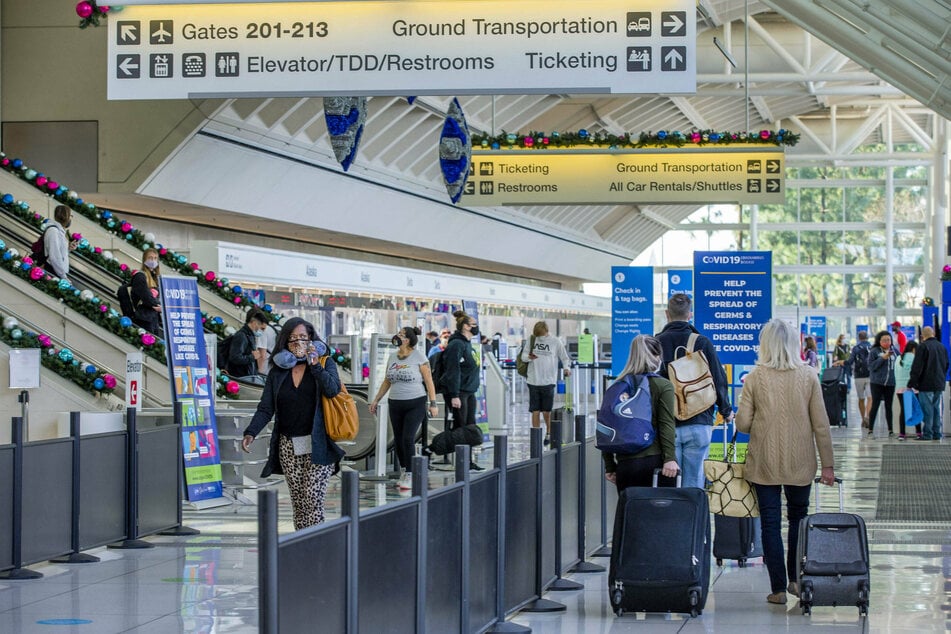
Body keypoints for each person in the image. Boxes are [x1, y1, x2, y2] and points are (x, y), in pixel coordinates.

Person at [734, 318, 835, 605]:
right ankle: (795, 580)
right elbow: (821, 425)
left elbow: (742, 424)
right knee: (798, 520)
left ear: (765, 344)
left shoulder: (754, 378)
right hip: (801, 462)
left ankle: (777, 589)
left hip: (763, 462)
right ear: (794, 344)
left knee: (769, 523)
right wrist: (828, 465)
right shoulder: (809, 376)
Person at [241, 317, 345, 530]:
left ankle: (315, 544)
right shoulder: (278, 372)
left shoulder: (325, 364)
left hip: (318, 443)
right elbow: (266, 407)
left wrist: (315, 366)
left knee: (311, 499)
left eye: (304, 338)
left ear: (312, 341)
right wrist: (251, 432)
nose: (299, 343)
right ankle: (302, 544)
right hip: (288, 445)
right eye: (293, 338)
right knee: (299, 502)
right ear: (285, 342)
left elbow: (333, 389)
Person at [655, 293, 733, 490]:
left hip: (666, 426)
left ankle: (672, 519)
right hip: (699, 422)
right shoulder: (702, 342)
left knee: (670, 484)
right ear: (690, 314)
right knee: (694, 484)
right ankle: (693, 520)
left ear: (667, 314)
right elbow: (718, 378)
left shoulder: (656, 343)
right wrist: (726, 410)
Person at [602, 335, 679, 491]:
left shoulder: (617, 387)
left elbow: (606, 426)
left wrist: (610, 466)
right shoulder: (662, 385)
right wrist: (670, 458)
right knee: (658, 513)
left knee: (629, 512)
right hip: (656, 462)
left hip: (626, 464)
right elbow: (666, 424)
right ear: (656, 357)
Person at [369, 326, 439, 491]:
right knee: (398, 440)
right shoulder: (393, 356)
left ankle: (410, 472)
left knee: (408, 438)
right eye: (398, 333)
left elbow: (429, 381)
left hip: (415, 402)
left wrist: (433, 403)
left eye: (401, 335)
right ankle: (403, 470)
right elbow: (387, 380)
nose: (397, 336)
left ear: (408, 340)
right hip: (396, 402)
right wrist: (376, 399)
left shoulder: (419, 357)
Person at [441, 310, 483, 470]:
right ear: (465, 326)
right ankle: (460, 461)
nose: (476, 327)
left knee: (470, 427)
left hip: (469, 392)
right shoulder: (456, 344)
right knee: (461, 428)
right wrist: (454, 395)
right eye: (473, 325)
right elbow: (452, 370)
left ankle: (468, 461)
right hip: (459, 393)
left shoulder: (467, 343)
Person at [520, 321, 571, 445]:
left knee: (546, 411)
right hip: (533, 380)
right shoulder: (532, 340)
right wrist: (529, 357)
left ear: (546, 331)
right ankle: (536, 436)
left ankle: (549, 432)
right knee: (535, 410)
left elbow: (564, 357)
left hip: (548, 380)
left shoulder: (555, 341)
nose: (540, 338)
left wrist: (566, 368)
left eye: (541, 335)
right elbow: (523, 357)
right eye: (538, 336)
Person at [908, 326, 949, 441]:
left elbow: (917, 367)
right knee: (936, 408)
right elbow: (946, 365)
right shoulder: (942, 347)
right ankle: (937, 433)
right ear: (934, 333)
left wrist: (912, 382)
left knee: (927, 410)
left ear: (922, 336)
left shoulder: (922, 347)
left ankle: (927, 434)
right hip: (939, 383)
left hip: (926, 384)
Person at [867, 330, 899, 438]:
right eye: (884, 340)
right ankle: (870, 430)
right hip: (877, 383)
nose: (887, 342)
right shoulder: (874, 351)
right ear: (879, 341)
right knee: (875, 405)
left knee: (888, 406)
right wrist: (883, 358)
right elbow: (871, 367)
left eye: (889, 340)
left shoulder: (895, 351)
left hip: (890, 383)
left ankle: (890, 430)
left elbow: (900, 363)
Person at [229, 309, 269, 385]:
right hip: (240, 379)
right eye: (262, 328)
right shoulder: (241, 336)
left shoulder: (250, 336)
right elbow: (234, 357)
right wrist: (252, 357)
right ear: (254, 323)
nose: (262, 332)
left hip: (247, 376)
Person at [130, 248, 163, 335]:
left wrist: (160, 305)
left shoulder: (155, 278)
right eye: (150, 258)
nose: (153, 260)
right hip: (143, 318)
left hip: (153, 317)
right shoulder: (140, 276)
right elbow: (147, 297)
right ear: (144, 259)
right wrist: (159, 305)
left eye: (155, 258)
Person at [893, 340, 920, 441]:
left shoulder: (898, 358)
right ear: (914, 349)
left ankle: (902, 434)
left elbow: (895, 373)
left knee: (903, 411)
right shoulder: (915, 358)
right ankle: (918, 433)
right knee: (915, 410)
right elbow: (917, 373)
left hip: (900, 388)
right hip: (912, 388)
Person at [846, 331, 873, 428]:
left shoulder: (856, 348)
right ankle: (868, 416)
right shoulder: (872, 347)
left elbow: (850, 361)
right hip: (870, 375)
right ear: (868, 337)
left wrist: (842, 362)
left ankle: (863, 419)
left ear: (859, 338)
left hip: (858, 376)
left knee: (861, 398)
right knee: (870, 398)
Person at [44, 205, 77, 282]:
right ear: (66, 216)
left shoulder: (59, 231)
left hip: (57, 271)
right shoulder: (54, 231)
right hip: (53, 271)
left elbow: (60, 253)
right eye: (70, 216)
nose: (71, 219)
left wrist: (68, 249)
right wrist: (63, 277)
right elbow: (54, 256)